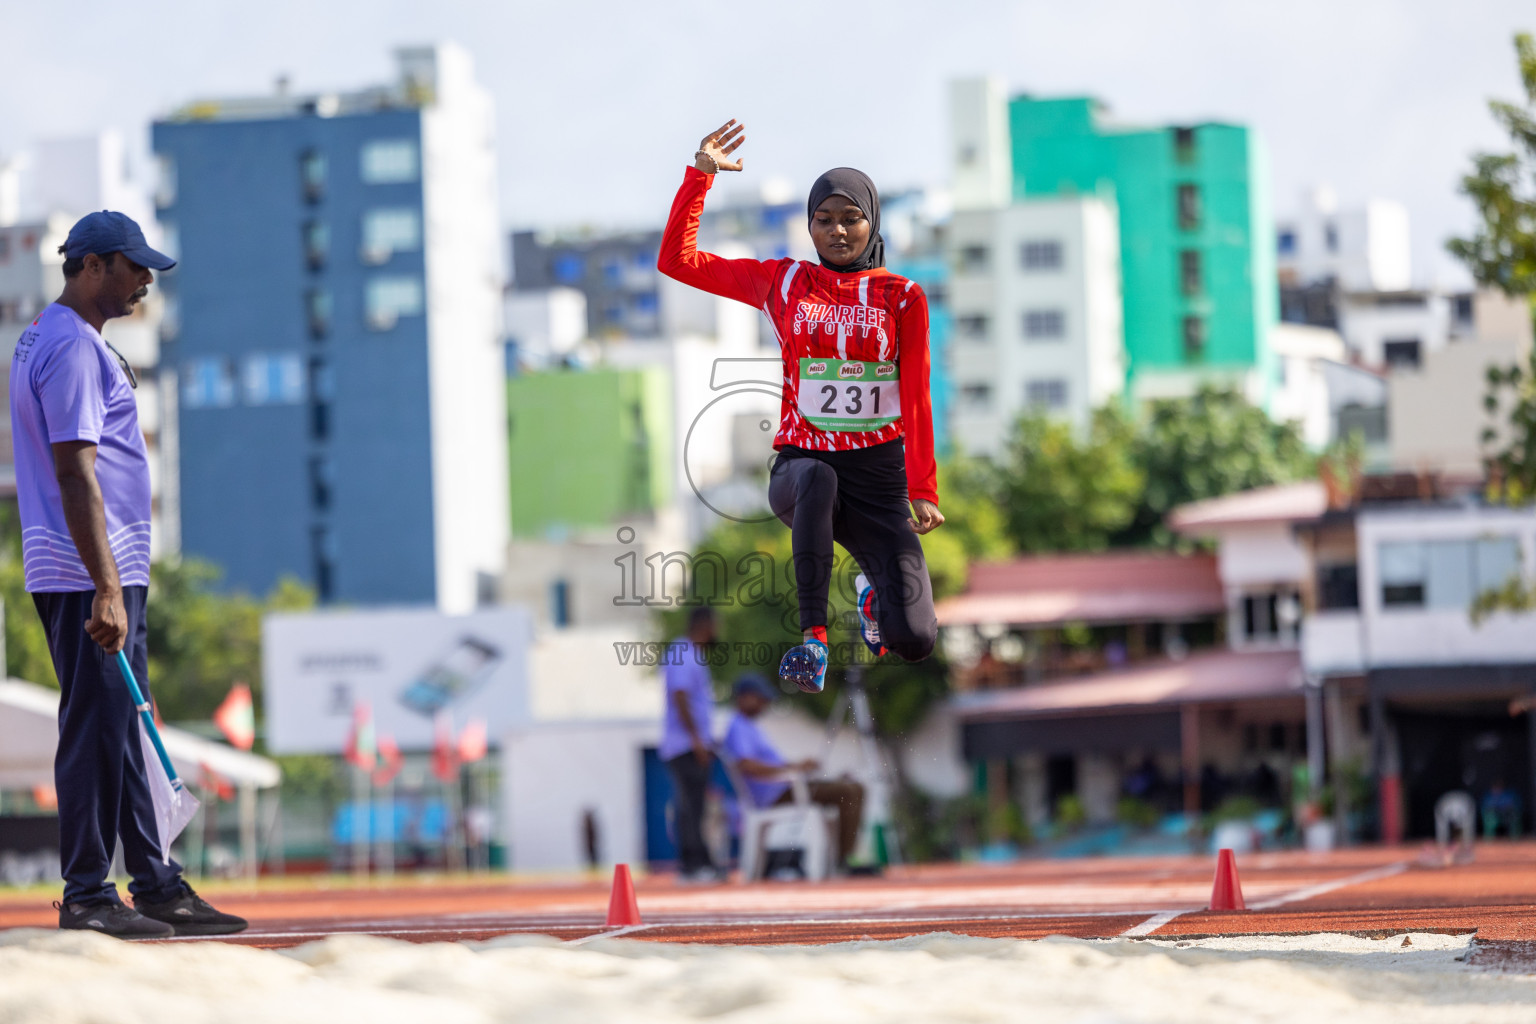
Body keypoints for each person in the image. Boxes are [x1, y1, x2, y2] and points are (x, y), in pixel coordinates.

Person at [11, 212, 247, 939]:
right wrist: (107, 587)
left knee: (123, 728)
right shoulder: (72, 350)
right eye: (133, 266)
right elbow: (74, 471)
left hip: (95, 566)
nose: (146, 280)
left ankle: (155, 880)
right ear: (90, 267)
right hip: (88, 570)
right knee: (94, 726)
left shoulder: (59, 341)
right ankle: (87, 892)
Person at [658, 120, 943, 695]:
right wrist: (700, 178)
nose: (838, 232)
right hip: (801, 469)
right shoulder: (782, 281)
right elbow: (677, 260)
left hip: (880, 478)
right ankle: (812, 639)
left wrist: (924, 487)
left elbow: (915, 393)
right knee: (816, 474)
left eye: (850, 219)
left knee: (914, 638)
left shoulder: (902, 297)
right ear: (810, 225)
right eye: (824, 220)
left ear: (872, 222)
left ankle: (869, 594)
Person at [721, 674, 866, 869]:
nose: (764, 703)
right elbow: (747, 765)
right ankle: (842, 861)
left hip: (786, 787)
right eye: (760, 698)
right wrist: (795, 768)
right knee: (848, 792)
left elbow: (767, 766)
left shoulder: (749, 727)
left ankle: (839, 858)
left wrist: (798, 768)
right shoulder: (738, 727)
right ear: (743, 697)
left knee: (853, 787)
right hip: (777, 795)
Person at [659, 606, 723, 881]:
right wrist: (697, 739)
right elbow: (681, 696)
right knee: (690, 806)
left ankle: (698, 861)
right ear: (704, 624)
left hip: (689, 742)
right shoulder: (683, 652)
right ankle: (693, 865)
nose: (717, 631)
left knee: (695, 805)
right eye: (715, 625)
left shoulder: (691, 653)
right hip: (684, 744)